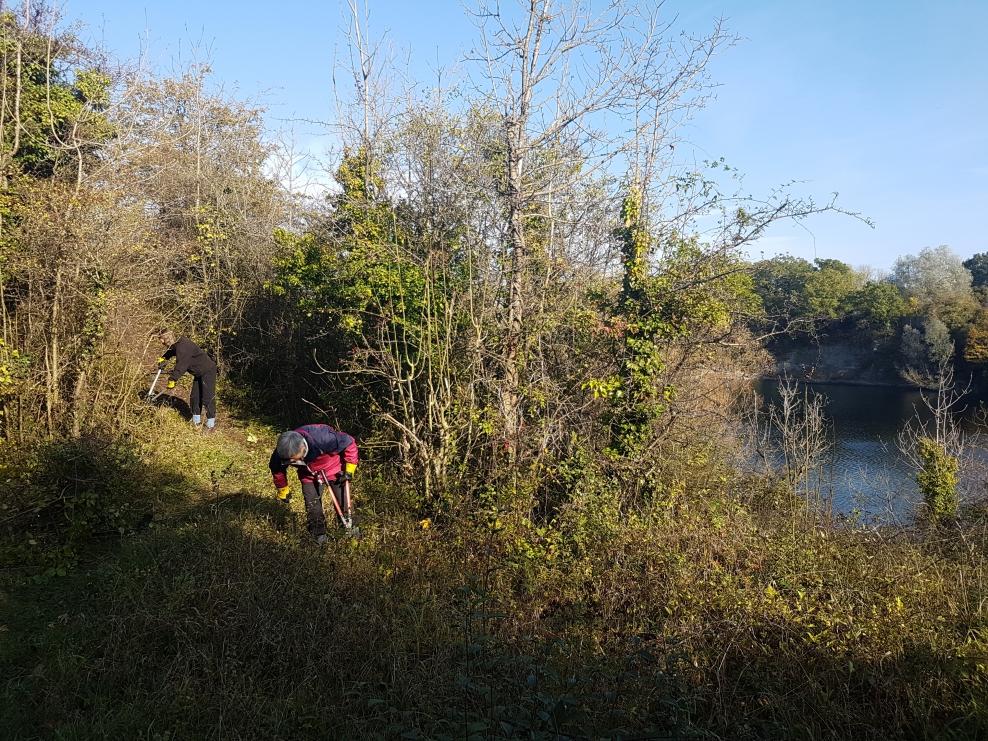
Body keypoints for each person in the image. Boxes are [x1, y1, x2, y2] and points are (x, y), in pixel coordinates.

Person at [269, 424, 359, 543]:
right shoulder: (283, 451)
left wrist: (349, 469)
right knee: (312, 506)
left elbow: (349, 443)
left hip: (334, 470)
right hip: (309, 476)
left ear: (303, 448)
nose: (290, 461)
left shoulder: (323, 439)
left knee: (344, 502)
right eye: (288, 459)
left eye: (293, 458)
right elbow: (277, 469)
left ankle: (352, 531)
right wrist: (283, 489)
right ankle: (319, 536)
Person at [157, 329, 218, 431]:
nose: (161, 342)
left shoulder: (183, 347)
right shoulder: (178, 342)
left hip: (207, 370)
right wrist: (164, 357)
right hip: (198, 372)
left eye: (162, 340)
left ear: (167, 339)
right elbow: (173, 350)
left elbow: (182, 365)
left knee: (207, 398)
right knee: (195, 397)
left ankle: (210, 425)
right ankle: (196, 422)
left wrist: (173, 379)